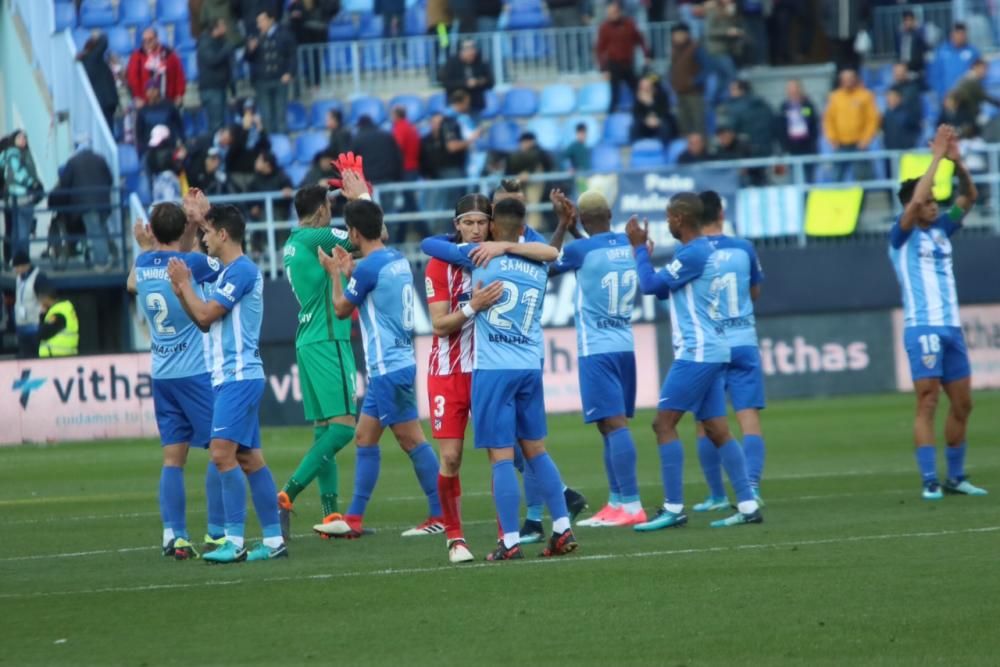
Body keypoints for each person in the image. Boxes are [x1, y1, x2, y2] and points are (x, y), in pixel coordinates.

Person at [421, 197, 578, 561]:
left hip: (492, 370)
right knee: (536, 451)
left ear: (491, 228)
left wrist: (497, 249)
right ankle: (562, 526)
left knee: (501, 458)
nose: (477, 231)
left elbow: (429, 244)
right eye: (469, 223)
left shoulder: (480, 259)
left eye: (483, 224)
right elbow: (554, 252)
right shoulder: (537, 262)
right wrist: (513, 243)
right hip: (528, 366)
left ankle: (509, 541)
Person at [625, 193, 762, 530]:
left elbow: (649, 284)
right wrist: (646, 257)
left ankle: (673, 507)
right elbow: (661, 288)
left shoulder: (694, 252)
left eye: (670, 217)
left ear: (680, 218)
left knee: (663, 424)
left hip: (697, 353)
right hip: (714, 348)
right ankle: (747, 504)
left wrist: (639, 250)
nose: (668, 223)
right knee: (716, 428)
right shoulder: (702, 251)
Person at [311, 198, 444, 540]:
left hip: (388, 367)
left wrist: (334, 275)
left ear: (353, 232)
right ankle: (353, 519)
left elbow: (341, 309)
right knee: (364, 436)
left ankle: (440, 513)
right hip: (393, 364)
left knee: (411, 439)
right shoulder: (395, 258)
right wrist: (349, 268)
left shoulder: (369, 267)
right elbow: (372, 281)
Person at [167, 204, 288, 563]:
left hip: (239, 376)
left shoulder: (243, 271)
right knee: (249, 459)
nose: (203, 239)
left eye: (207, 232)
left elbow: (206, 313)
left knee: (221, 453)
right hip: (228, 378)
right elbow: (203, 322)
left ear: (222, 234)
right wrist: (181, 292)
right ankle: (274, 540)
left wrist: (187, 287)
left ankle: (233, 542)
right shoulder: (224, 275)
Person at [888, 124, 986, 500]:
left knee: (963, 404)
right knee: (927, 400)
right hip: (922, 327)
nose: (933, 205)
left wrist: (957, 165)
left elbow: (970, 196)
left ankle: (956, 477)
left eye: (933, 201)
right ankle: (930, 478)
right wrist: (935, 159)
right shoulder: (901, 236)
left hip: (951, 328)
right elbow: (914, 204)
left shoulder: (942, 230)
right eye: (929, 200)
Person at [127, 196, 227, 560]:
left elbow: (133, 284)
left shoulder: (141, 263)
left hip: (162, 374)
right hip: (195, 372)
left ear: (151, 231)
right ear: (181, 229)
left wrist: (146, 246)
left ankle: (174, 535)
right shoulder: (194, 262)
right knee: (220, 451)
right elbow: (226, 265)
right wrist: (201, 223)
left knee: (173, 459)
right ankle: (216, 532)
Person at [547, 190, 645, 528]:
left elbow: (545, 266)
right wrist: (577, 226)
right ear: (610, 214)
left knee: (614, 425)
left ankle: (631, 504)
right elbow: (595, 249)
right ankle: (617, 502)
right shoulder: (625, 242)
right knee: (608, 425)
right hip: (624, 344)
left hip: (597, 348)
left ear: (584, 221)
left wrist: (562, 225)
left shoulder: (578, 249)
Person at [275, 180, 362, 540]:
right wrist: (360, 199)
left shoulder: (293, 243)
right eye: (330, 206)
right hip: (328, 338)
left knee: (324, 430)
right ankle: (288, 493)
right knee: (343, 428)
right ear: (323, 210)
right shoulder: (316, 237)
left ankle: (331, 515)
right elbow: (364, 237)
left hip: (308, 340)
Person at [690, 190, 767, 510]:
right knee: (748, 417)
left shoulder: (692, 251)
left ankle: (717, 495)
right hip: (744, 340)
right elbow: (755, 291)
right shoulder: (744, 247)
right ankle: (749, 487)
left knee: (704, 422)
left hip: (710, 345)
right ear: (721, 214)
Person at [56, 142, 115, 271]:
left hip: (85, 203)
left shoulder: (72, 162)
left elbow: (65, 185)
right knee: (102, 229)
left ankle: (102, 262)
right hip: (103, 202)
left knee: (94, 232)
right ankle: (113, 256)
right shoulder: (100, 158)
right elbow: (110, 179)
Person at [823, 69, 880, 182]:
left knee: (862, 177)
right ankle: (838, 199)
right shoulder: (835, 97)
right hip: (840, 144)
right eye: (845, 79)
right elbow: (829, 120)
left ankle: (863, 199)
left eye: (850, 79)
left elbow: (872, 119)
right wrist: (832, 138)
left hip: (859, 144)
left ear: (855, 79)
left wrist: (866, 139)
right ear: (840, 81)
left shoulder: (865, 96)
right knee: (836, 177)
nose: (848, 81)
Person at [595, 1, 651, 113]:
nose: (612, 15)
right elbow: (600, 49)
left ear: (620, 12)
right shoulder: (605, 27)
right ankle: (611, 116)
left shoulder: (629, 24)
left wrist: (647, 55)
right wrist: (604, 69)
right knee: (615, 93)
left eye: (614, 12)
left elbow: (640, 39)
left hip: (628, 63)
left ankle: (641, 112)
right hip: (614, 63)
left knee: (636, 89)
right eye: (610, 13)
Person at [245, 11, 296, 134]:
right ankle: (268, 145)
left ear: (270, 20)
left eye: (262, 21)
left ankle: (282, 143)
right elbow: (247, 58)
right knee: (266, 116)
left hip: (279, 78)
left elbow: (292, 55)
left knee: (280, 114)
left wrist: (289, 72)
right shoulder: (255, 37)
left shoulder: (284, 35)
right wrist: (250, 49)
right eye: (258, 22)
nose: (259, 25)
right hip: (262, 81)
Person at [1, 130, 43, 259]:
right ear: (14, 140)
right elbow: (19, 173)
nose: (23, 139)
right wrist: (33, 183)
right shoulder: (14, 154)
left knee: (15, 230)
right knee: (23, 230)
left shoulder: (12, 154)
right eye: (20, 137)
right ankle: (22, 260)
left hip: (13, 197)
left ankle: (16, 259)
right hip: (22, 195)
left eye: (25, 137)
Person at [350, 116, 404, 215]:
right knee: (389, 212)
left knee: (372, 214)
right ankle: (389, 230)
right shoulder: (387, 136)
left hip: (369, 182)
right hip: (388, 179)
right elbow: (398, 158)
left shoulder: (357, 139)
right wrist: (398, 178)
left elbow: (350, 161)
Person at [126, 27, 187, 107]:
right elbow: (132, 79)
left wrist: (179, 94)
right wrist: (137, 97)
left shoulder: (169, 55)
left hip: (169, 101)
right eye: (144, 41)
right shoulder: (137, 56)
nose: (147, 43)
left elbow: (179, 76)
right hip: (145, 103)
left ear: (157, 39)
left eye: (150, 40)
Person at [669, 23, 708, 137]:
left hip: (694, 94)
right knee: (683, 125)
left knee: (698, 125)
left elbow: (706, 68)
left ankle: (702, 152)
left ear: (686, 34)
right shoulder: (674, 50)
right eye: (675, 35)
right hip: (680, 93)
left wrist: (694, 82)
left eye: (680, 34)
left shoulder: (696, 48)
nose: (677, 37)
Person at [197, 18, 235, 134]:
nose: (226, 28)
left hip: (220, 87)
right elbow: (212, 60)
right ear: (215, 29)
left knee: (220, 123)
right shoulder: (205, 43)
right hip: (211, 88)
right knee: (216, 125)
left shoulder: (221, 42)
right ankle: (215, 149)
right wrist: (226, 49)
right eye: (223, 26)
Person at [438, 40, 495, 116]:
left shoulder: (481, 62)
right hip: (456, 107)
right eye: (468, 50)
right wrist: (465, 83)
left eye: (473, 49)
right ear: (462, 52)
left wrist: (477, 82)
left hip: (475, 106)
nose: (471, 53)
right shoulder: (451, 63)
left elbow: (491, 82)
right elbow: (445, 83)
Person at [777, 79, 819, 179]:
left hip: (807, 146)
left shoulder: (807, 105)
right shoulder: (784, 107)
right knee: (793, 177)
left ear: (800, 89)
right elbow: (780, 127)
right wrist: (784, 145)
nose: (793, 91)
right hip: (791, 147)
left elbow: (812, 122)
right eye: (790, 88)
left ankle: (807, 194)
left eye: (795, 88)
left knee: (808, 176)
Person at [77, 32, 119, 131]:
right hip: (106, 99)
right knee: (108, 129)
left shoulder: (84, 61)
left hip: (99, 100)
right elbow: (104, 41)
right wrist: (96, 36)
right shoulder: (93, 57)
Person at [928, 23, 980, 101]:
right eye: (959, 34)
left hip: (967, 97)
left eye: (964, 34)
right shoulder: (941, 51)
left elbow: (979, 71)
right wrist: (942, 94)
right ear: (952, 34)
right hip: (947, 97)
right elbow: (935, 75)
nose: (962, 37)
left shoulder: (972, 51)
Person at [950, 59, 1000, 138]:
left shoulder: (969, 78)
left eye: (986, 69)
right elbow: (983, 96)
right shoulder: (971, 80)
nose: (985, 72)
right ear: (975, 67)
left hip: (964, 113)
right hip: (963, 113)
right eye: (983, 69)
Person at [390, 106, 421, 221]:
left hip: (406, 169)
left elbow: (397, 148)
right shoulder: (410, 127)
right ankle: (401, 234)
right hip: (412, 168)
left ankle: (424, 231)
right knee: (407, 203)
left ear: (396, 115)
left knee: (410, 203)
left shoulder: (400, 128)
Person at [136, 86, 185, 156]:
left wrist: (181, 142)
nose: (151, 92)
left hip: (169, 147)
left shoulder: (170, 107)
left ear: (158, 90)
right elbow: (139, 133)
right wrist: (144, 149)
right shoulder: (143, 111)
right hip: (150, 150)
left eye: (154, 89)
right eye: (149, 90)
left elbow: (179, 126)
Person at [12, 250, 44, 359]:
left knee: (34, 356)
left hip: (33, 325)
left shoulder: (38, 277)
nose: (15, 270)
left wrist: (40, 313)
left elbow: (46, 299)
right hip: (22, 325)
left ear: (24, 265)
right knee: (24, 356)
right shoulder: (19, 279)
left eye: (17, 267)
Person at [36, 284, 79, 358]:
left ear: (46, 298)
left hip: (56, 357)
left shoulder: (57, 313)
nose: (40, 303)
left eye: (40, 299)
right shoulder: (65, 308)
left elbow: (42, 334)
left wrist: (42, 316)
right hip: (65, 356)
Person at [631, 75, 676, 143]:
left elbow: (664, 111)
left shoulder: (661, 94)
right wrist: (645, 120)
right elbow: (636, 113)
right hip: (645, 123)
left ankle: (665, 147)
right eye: (642, 85)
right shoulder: (638, 97)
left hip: (659, 120)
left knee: (665, 125)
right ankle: (633, 146)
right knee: (635, 126)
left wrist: (650, 103)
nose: (643, 87)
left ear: (651, 85)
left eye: (645, 85)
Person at [896, 10, 928, 80]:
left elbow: (922, 52)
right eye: (906, 20)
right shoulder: (900, 35)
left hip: (915, 70)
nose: (908, 22)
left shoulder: (918, 35)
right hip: (903, 70)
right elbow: (898, 53)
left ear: (913, 21)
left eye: (910, 20)